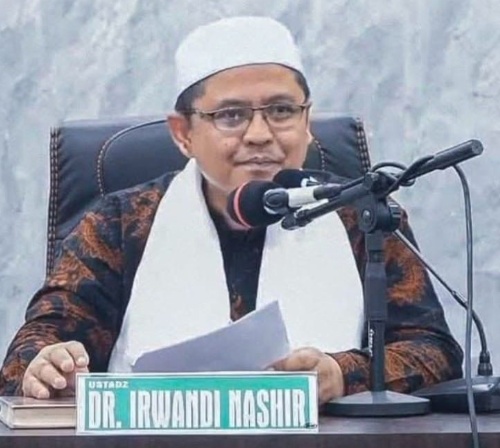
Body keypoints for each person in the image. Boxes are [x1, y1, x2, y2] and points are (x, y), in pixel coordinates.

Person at [0, 16, 462, 404]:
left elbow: (433, 351)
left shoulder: (361, 215)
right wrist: (47, 365)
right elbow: (34, 349)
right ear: (182, 133)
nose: (260, 134)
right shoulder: (119, 224)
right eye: (231, 115)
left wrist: (342, 374)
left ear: (306, 121)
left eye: (281, 110)